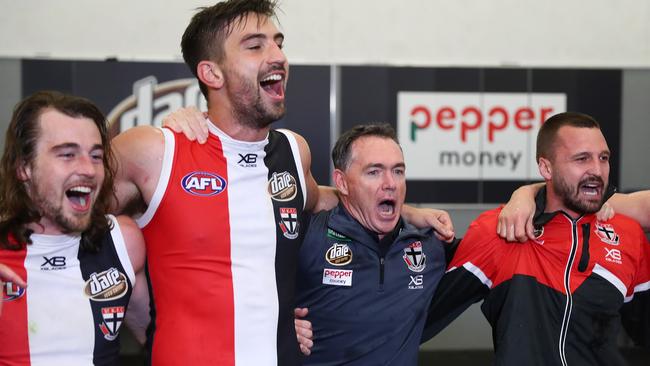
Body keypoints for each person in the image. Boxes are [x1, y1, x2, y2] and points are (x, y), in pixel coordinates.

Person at [110, 1, 454, 365]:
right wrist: (149, 324)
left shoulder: (292, 151)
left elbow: (325, 198)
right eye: (256, 46)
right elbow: (68, 227)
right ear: (211, 74)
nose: (278, 56)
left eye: (279, 43)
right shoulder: (153, 150)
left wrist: (409, 212)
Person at [421, 112, 650, 365]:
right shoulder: (500, 231)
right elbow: (414, 325)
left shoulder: (627, 234)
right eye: (582, 159)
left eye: (603, 158)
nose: (597, 170)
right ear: (546, 167)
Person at [0, 91, 148, 365]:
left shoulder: (123, 242)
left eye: (95, 156)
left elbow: (160, 340)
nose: (89, 170)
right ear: (24, 168)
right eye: (67, 154)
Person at [294, 124, 448, 365]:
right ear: (342, 183)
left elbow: (499, 243)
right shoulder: (306, 236)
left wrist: (524, 194)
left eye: (398, 171)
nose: (391, 183)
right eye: (374, 172)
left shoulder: (431, 246)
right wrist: (278, 326)